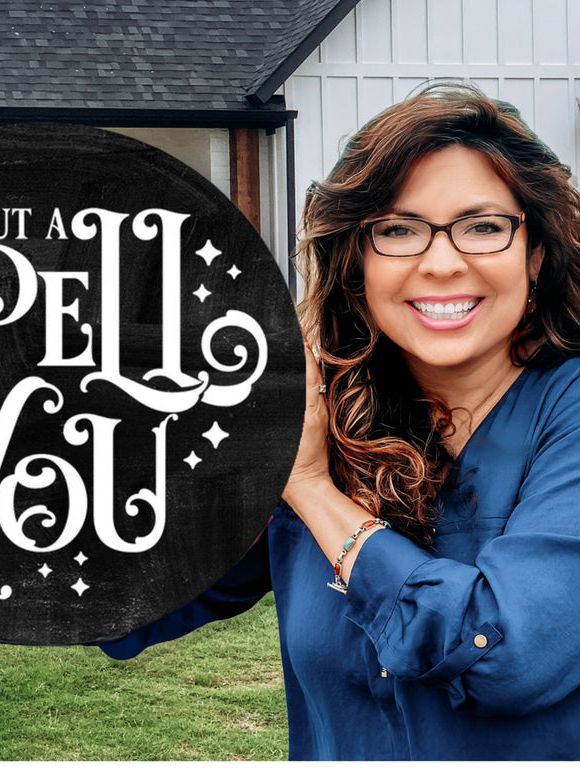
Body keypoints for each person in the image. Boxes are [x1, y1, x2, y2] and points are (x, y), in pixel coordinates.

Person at [98, 83, 580, 760]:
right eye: (399, 230)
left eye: (483, 226)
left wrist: (311, 488)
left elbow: (505, 657)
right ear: (357, 263)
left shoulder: (566, 414)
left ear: (534, 255)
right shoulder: (327, 411)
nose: (442, 263)